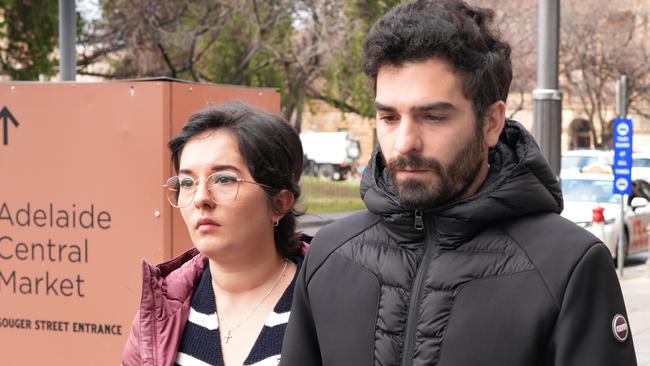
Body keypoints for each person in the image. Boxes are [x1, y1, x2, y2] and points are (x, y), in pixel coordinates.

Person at [281, 0, 637, 365]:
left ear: (492, 122)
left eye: (433, 117)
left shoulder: (569, 265)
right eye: (389, 117)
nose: (404, 143)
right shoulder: (329, 253)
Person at [122, 102, 307, 366]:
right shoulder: (164, 308)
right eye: (187, 182)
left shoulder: (324, 301)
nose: (200, 199)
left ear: (279, 202)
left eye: (223, 179)